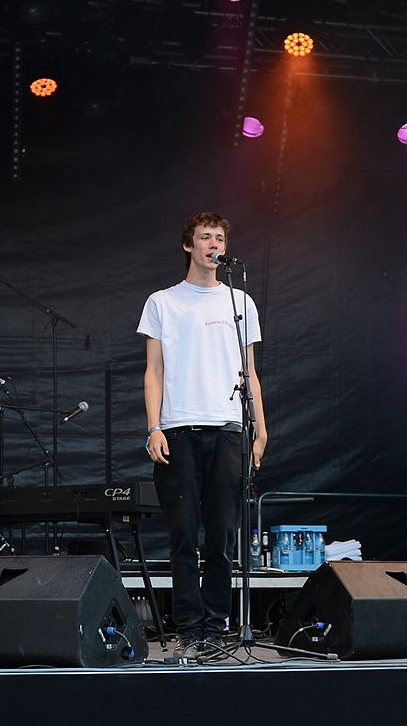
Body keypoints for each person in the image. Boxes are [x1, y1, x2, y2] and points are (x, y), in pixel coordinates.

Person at [138, 211, 268, 661]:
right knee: (183, 536)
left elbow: (249, 372)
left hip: (228, 428)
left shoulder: (239, 302)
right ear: (188, 245)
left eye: (220, 238)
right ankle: (189, 630)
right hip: (177, 429)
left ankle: (216, 628)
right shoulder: (162, 302)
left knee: (222, 536)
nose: (214, 244)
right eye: (205, 237)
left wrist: (261, 429)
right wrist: (153, 426)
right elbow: (153, 371)